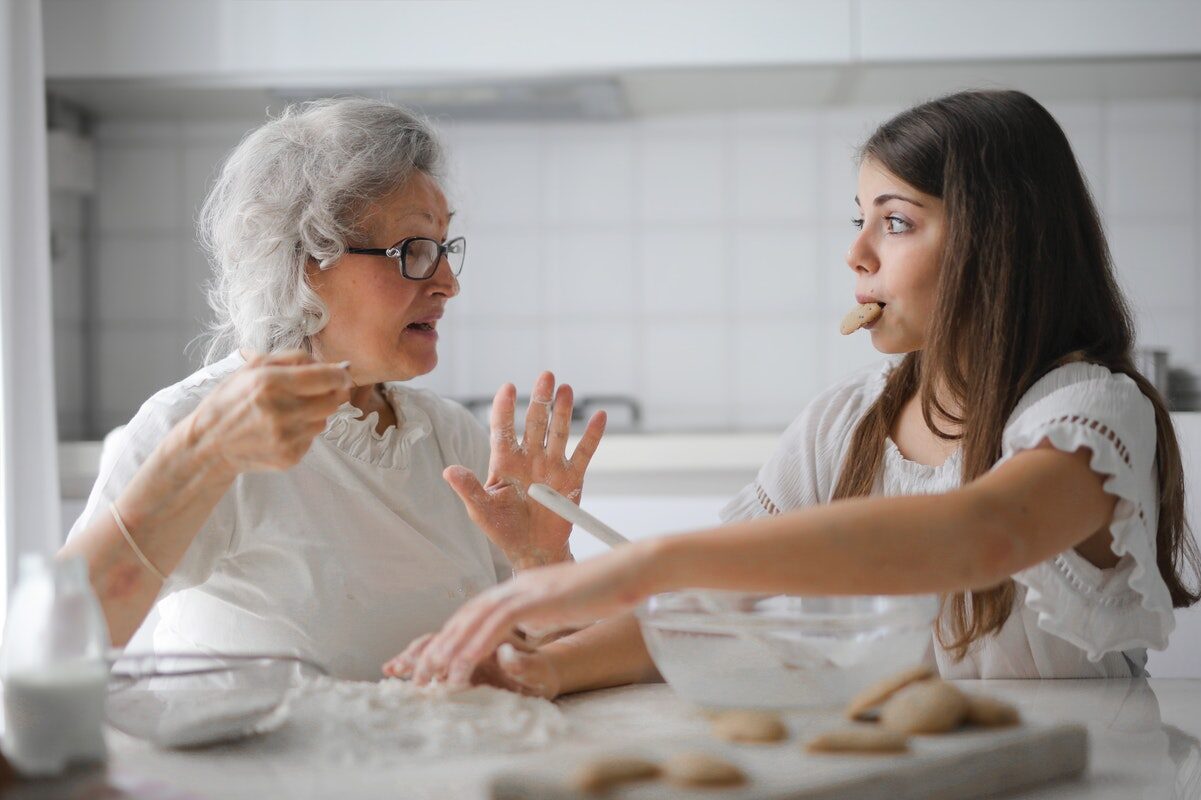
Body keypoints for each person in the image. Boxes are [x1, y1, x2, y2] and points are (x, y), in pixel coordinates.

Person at [389, 89, 1201, 693]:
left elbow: (980, 534)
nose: (855, 254)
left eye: (895, 221)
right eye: (858, 218)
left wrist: (652, 558)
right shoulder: (844, 423)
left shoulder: (1091, 412)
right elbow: (713, 606)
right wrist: (543, 668)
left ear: (998, 242)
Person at [59, 98, 605, 680]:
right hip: (261, 772)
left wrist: (541, 560)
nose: (448, 283)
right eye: (413, 251)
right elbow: (60, 640)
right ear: (303, 262)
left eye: (445, 249)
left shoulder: (449, 438)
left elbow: (536, 667)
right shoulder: (195, 424)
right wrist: (199, 457)